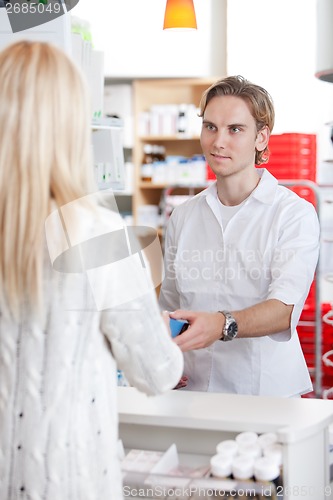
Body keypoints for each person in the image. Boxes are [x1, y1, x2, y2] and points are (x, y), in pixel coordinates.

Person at [0, 41, 183, 500]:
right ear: (68, 126)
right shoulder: (98, 233)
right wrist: (155, 326)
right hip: (67, 480)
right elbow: (156, 374)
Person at [159, 75, 320, 398]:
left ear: (261, 138)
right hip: (193, 390)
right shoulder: (184, 216)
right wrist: (164, 357)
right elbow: (171, 303)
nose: (219, 142)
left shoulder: (292, 214)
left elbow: (284, 309)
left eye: (235, 129)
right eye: (210, 127)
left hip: (264, 394)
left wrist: (222, 324)